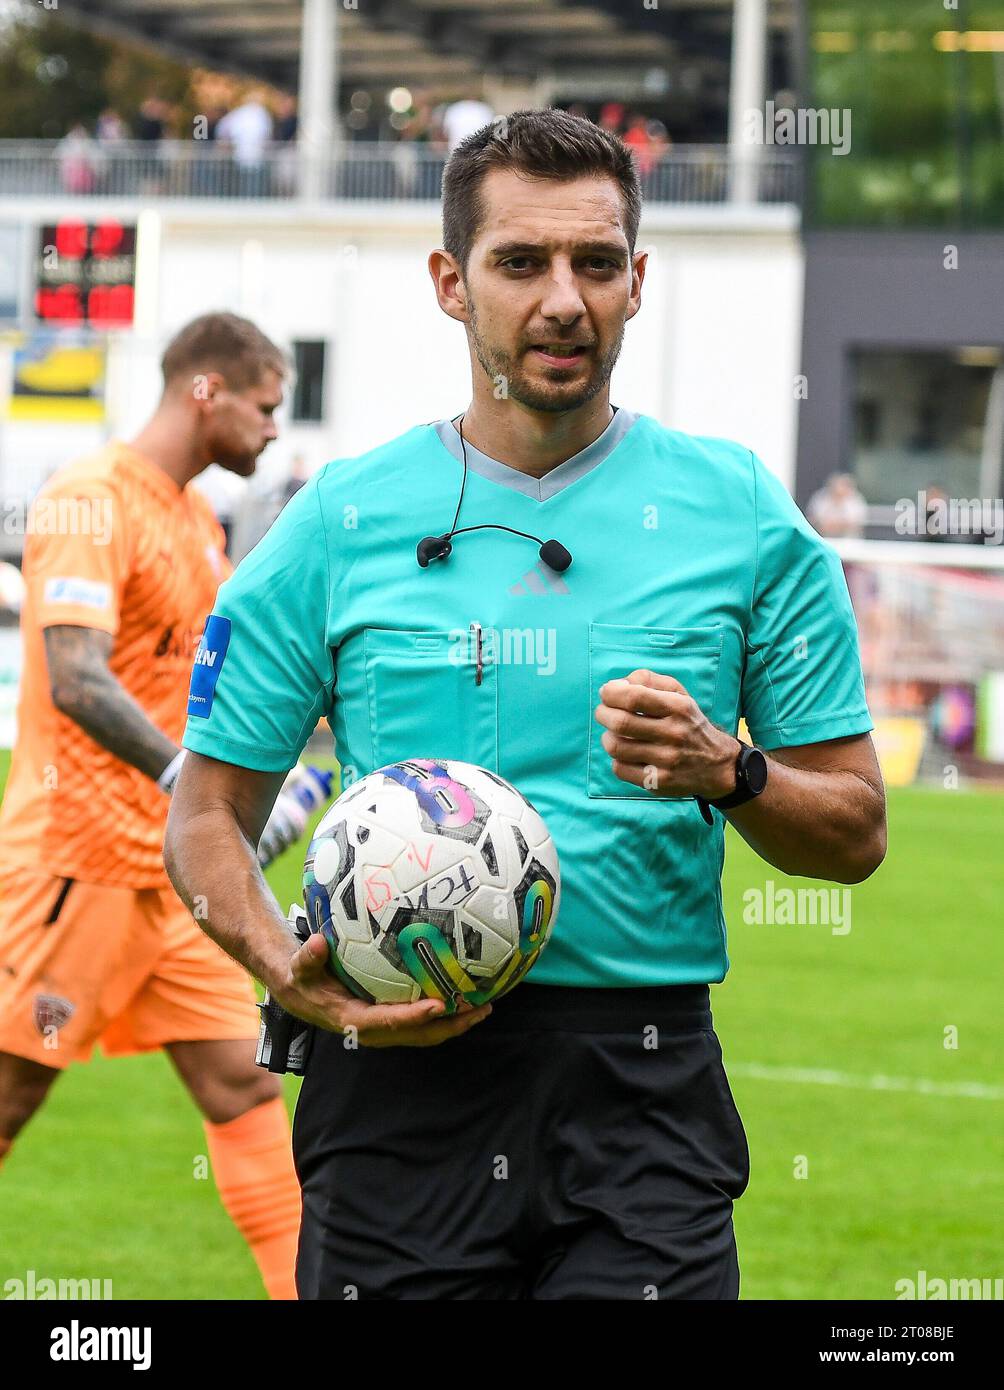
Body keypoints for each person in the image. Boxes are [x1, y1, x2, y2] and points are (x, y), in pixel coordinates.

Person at [164, 109, 887, 1300]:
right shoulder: (335, 522)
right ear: (451, 283)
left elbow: (854, 831)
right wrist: (274, 962)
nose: (564, 299)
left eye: (595, 264)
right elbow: (202, 821)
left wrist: (733, 772)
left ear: (635, 281)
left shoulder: (741, 514)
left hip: (641, 1092)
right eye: (520, 263)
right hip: (394, 1085)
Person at [0, 313, 310, 1300]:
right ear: (206, 391)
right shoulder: (91, 500)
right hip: (75, 865)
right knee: (10, 1095)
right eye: (265, 406)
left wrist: (267, 784)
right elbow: (80, 678)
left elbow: (199, 690)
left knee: (246, 1085)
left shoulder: (191, 519)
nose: (273, 430)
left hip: (177, 881)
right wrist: (192, 785)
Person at [807, 472, 868, 538]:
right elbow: (813, 518)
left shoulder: (856, 500)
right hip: (823, 538)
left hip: (849, 540)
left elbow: (856, 522)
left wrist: (838, 525)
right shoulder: (820, 497)